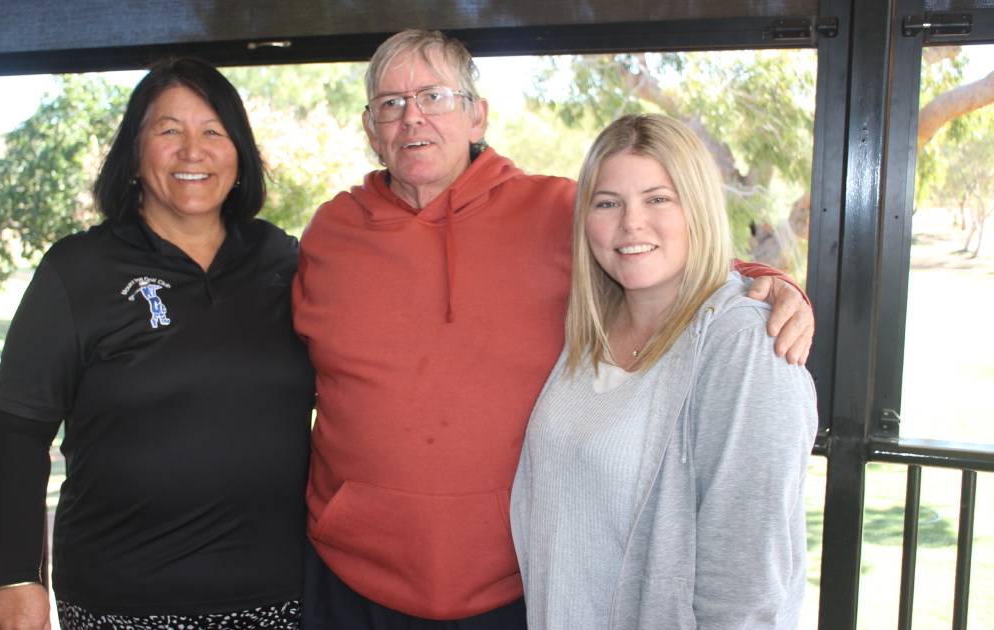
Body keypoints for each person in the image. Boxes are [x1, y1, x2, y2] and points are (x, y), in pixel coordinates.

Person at [293, 30, 815, 629]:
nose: (412, 117)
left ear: (476, 114)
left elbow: (650, 244)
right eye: (390, 103)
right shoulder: (330, 234)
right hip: (350, 579)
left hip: (516, 585)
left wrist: (767, 281)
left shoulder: (558, 211)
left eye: (435, 96)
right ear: (371, 128)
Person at [0, 58, 314, 630]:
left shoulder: (283, 260)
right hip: (123, 601)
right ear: (134, 153)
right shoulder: (77, 270)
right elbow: (17, 428)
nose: (193, 151)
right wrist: (13, 578)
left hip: (280, 593)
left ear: (239, 152)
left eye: (214, 130)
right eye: (168, 131)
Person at [509, 114, 818, 629]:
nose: (632, 223)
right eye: (608, 203)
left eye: (658, 199)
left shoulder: (744, 348)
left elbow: (744, 592)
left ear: (697, 207)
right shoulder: (589, 330)